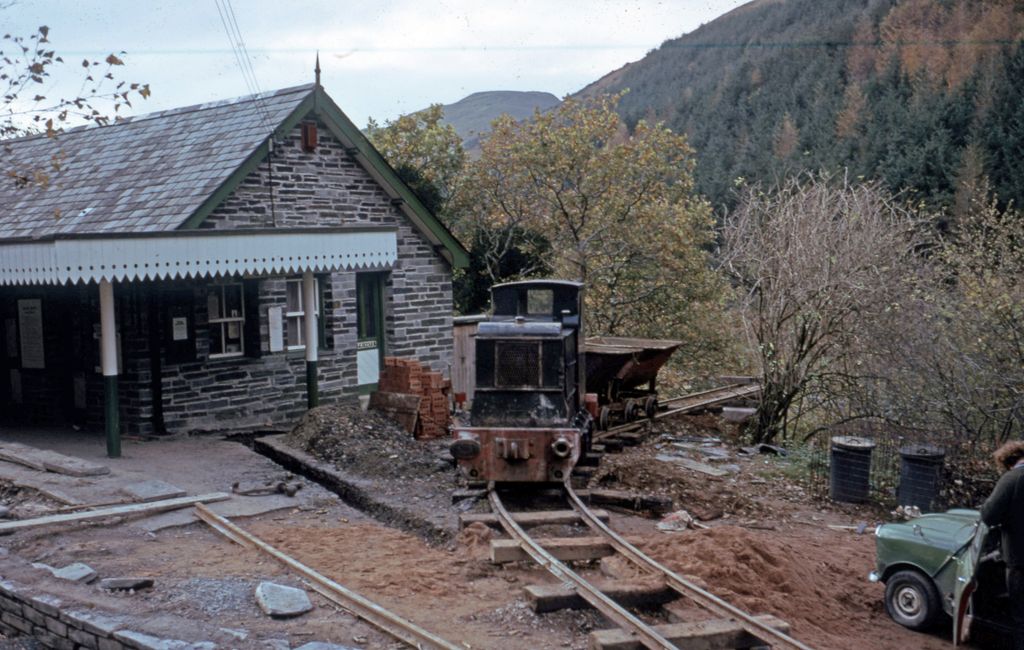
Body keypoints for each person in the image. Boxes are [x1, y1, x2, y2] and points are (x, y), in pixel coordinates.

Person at [981, 440, 1024, 650]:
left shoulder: (1013, 478)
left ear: (1008, 461)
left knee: (1021, 616)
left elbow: (989, 515)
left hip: (1020, 558)